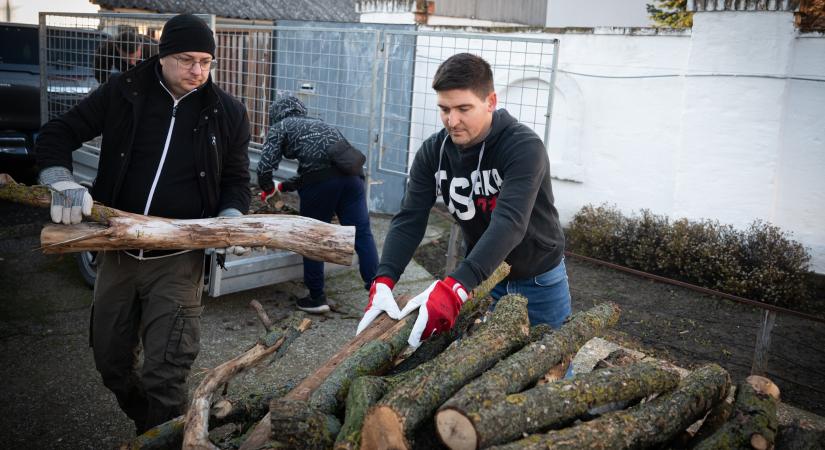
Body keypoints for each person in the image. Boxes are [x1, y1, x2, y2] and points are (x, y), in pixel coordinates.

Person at [35, 14, 251, 433]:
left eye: (206, 61)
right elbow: (58, 133)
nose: (198, 71)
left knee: (166, 373)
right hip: (117, 249)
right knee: (111, 361)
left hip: (179, 257)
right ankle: (151, 426)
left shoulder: (227, 112)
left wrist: (231, 220)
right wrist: (59, 179)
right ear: (164, 54)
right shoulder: (125, 91)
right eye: (188, 59)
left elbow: (237, 181)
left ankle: (162, 434)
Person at [356, 53, 572, 348]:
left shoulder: (524, 147)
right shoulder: (433, 152)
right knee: (483, 362)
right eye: (444, 109)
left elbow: (510, 222)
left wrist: (455, 287)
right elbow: (410, 219)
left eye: (463, 108)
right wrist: (384, 279)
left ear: (490, 102)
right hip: (482, 276)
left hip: (537, 276)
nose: (451, 120)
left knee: (550, 360)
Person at [257, 92, 379, 314]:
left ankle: (316, 297)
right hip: (353, 179)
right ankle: (379, 291)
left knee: (313, 236)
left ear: (276, 114)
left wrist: (267, 188)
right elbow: (322, 169)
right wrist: (283, 187)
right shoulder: (321, 124)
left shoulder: (281, 126)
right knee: (362, 234)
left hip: (322, 185)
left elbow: (264, 167)